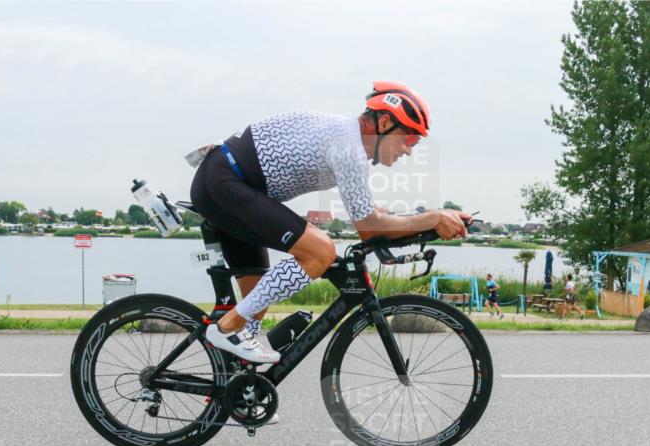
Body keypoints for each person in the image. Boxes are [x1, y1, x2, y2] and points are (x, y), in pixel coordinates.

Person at [190, 81, 469, 363]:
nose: (409, 150)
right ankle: (226, 328)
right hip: (226, 182)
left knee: (256, 303)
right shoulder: (348, 147)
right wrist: (431, 218)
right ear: (384, 122)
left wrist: (434, 220)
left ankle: (236, 397)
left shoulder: (347, 138)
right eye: (409, 139)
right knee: (320, 252)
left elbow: (373, 215)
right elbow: (370, 228)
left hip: (231, 185)